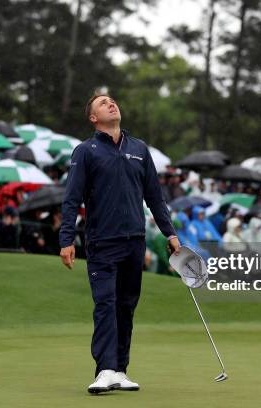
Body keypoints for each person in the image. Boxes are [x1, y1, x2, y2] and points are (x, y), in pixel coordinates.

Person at [59, 93, 180, 394]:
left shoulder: (139, 149)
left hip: (134, 241)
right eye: (103, 103)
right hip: (101, 241)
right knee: (106, 304)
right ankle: (104, 370)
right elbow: (72, 198)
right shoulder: (85, 151)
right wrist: (66, 240)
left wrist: (171, 233)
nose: (111, 104)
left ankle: (121, 370)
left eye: (112, 101)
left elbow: (155, 197)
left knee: (126, 306)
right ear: (93, 118)